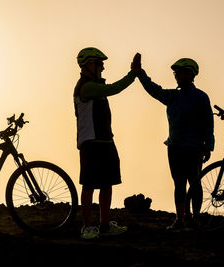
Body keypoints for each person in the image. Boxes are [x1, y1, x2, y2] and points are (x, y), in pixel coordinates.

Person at [132, 53, 214, 231]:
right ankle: (180, 219)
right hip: (174, 147)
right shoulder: (172, 96)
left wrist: (209, 145)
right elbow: (153, 89)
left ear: (191, 74)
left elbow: (209, 122)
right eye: (175, 73)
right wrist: (139, 73)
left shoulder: (201, 97)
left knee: (195, 183)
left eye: (180, 73)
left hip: (194, 148)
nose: (176, 76)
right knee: (179, 184)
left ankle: (195, 218)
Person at [74, 47, 139, 239]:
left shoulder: (95, 85)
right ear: (88, 65)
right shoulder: (86, 86)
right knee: (89, 185)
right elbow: (114, 89)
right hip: (90, 142)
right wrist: (133, 73)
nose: (102, 67)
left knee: (107, 183)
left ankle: (104, 225)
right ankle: (87, 227)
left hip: (105, 140)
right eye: (99, 63)